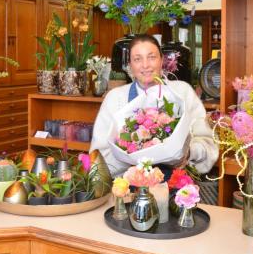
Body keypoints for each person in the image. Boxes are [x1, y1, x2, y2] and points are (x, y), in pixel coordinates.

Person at [90, 34, 218, 177]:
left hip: (176, 185)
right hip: (126, 187)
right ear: (130, 65)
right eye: (137, 59)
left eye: (151, 57)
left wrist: (187, 152)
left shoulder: (183, 92)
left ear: (161, 60)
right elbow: (99, 157)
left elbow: (207, 143)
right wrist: (132, 154)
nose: (145, 65)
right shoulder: (114, 98)